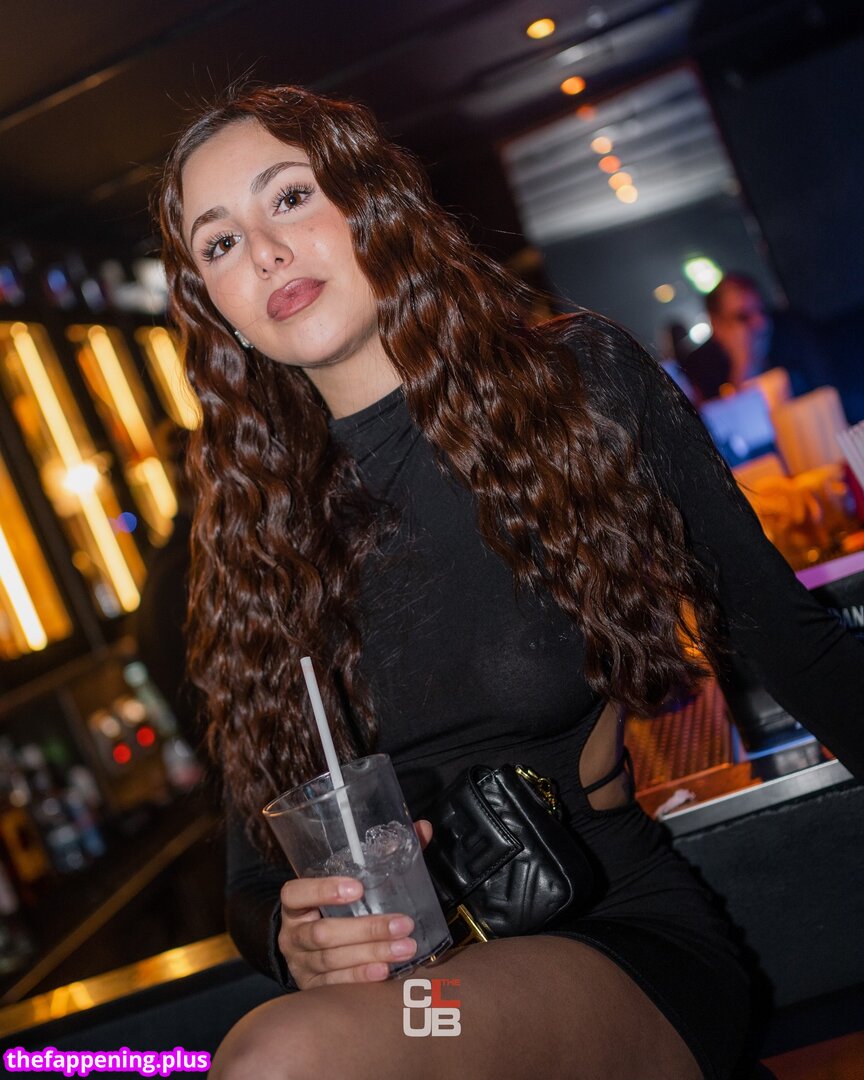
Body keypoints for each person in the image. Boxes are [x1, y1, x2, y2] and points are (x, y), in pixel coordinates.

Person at [156, 85, 863, 1079]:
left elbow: (796, 645)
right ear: (214, 307)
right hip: (428, 1003)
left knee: (281, 1061)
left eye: (290, 197)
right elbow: (247, 876)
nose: (265, 252)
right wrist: (290, 937)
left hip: (618, 953)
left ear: (372, 202)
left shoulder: (572, 386)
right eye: (220, 243)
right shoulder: (254, 535)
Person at [681, 274, 772, 403]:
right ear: (717, 324)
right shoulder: (697, 369)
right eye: (743, 317)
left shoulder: (789, 338)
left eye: (761, 310)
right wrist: (742, 367)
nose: (761, 323)